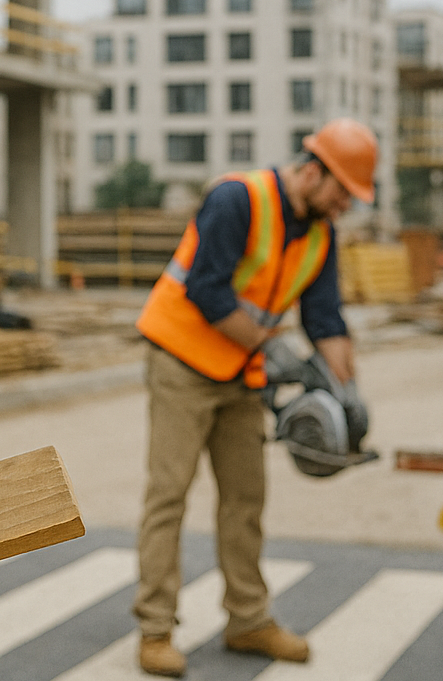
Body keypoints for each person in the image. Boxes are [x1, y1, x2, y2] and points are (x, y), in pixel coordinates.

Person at [132, 119, 377, 677]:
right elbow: (207, 288)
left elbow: (325, 317)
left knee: (245, 499)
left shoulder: (320, 234)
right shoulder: (236, 199)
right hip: (181, 363)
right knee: (169, 495)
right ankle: (155, 628)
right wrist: (274, 348)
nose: (344, 206)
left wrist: (348, 392)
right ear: (313, 172)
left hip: (242, 373)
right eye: (342, 193)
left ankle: (248, 619)